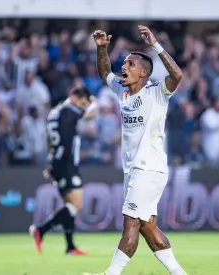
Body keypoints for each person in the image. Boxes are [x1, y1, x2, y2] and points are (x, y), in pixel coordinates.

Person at [84, 26, 187, 275]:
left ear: (143, 73)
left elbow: (177, 75)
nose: (124, 67)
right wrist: (101, 48)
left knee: (130, 223)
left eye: (130, 64)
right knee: (147, 227)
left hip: (149, 169)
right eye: (125, 63)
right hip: (134, 170)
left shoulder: (157, 93)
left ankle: (111, 274)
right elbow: (104, 72)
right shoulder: (124, 91)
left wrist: (156, 45)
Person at [29, 86, 97, 256]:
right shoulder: (68, 111)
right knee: (76, 204)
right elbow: (92, 113)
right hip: (66, 164)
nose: (82, 107)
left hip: (57, 163)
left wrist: (50, 162)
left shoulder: (54, 112)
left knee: (69, 205)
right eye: (82, 103)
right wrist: (94, 102)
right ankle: (40, 229)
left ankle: (70, 246)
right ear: (74, 97)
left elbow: (49, 140)